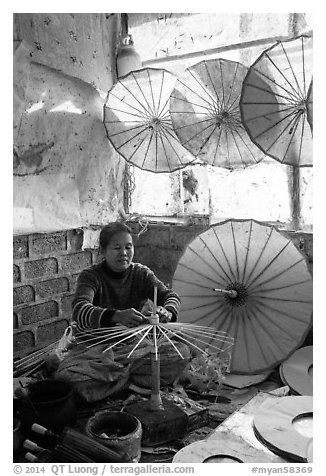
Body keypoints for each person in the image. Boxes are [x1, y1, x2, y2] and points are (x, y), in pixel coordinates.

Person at [55, 222, 190, 402]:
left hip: (132, 347)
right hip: (95, 348)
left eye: (128, 247)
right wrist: (116, 315)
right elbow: (80, 309)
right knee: (68, 379)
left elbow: (170, 295)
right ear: (103, 251)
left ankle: (115, 382)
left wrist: (167, 310)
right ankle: (133, 383)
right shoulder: (91, 276)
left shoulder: (141, 274)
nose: (124, 253)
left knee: (182, 353)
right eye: (117, 247)